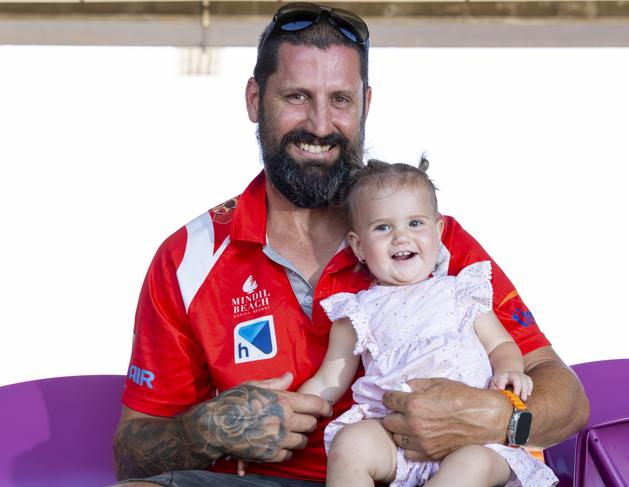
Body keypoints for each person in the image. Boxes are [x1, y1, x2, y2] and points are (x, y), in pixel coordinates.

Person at [111, 3, 589, 486]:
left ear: (366, 103)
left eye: (340, 99)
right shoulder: (188, 259)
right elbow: (131, 452)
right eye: (297, 96)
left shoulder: (432, 240)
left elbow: (566, 400)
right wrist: (206, 430)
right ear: (255, 99)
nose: (320, 125)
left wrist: (492, 417)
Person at [294, 157, 558, 486]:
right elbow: (327, 382)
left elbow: (500, 343)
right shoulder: (357, 312)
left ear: (438, 231)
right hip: (394, 435)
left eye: (415, 223)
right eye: (383, 227)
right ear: (359, 246)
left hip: (475, 439)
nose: (401, 237)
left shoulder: (461, 292)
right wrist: (293, 407)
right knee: (352, 445)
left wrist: (509, 370)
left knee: (473, 465)